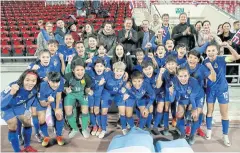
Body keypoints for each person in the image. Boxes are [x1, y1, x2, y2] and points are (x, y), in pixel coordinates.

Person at [204, 42, 240, 147]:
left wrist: (228, 46)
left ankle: (225, 135)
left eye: (213, 50)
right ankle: (209, 130)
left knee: (224, 113)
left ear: (217, 51)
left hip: (222, 90)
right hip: (210, 90)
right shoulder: (204, 62)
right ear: (206, 52)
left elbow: (236, 56)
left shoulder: (222, 59)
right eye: (208, 51)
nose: (211, 53)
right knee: (209, 111)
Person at [1, 69, 41, 152]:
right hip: (6, 107)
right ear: (22, 79)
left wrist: (27, 109)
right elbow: (1, 103)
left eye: (33, 81)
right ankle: (17, 151)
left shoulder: (35, 88)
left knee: (27, 121)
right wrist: (11, 93)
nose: (30, 83)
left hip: (18, 106)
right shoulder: (13, 85)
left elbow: (31, 97)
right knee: (13, 123)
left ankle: (27, 146)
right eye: (27, 80)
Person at [180, 50, 216, 137]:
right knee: (188, 110)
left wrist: (211, 68)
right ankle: (188, 127)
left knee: (198, 112)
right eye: (190, 57)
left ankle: (197, 128)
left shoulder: (202, 68)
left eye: (195, 58)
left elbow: (213, 79)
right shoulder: (182, 66)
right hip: (186, 93)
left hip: (199, 94)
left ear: (198, 60)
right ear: (187, 58)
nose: (192, 60)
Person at [171, 68, 205, 145]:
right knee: (179, 113)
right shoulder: (174, 81)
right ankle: (182, 134)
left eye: (185, 76)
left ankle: (192, 135)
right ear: (177, 76)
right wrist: (171, 93)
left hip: (197, 97)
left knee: (195, 116)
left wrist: (194, 109)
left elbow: (192, 97)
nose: (183, 78)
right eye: (181, 76)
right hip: (185, 96)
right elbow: (172, 99)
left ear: (189, 75)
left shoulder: (194, 82)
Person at [64, 58, 92, 139]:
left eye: (82, 69)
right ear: (73, 70)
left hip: (82, 93)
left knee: (85, 110)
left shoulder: (87, 78)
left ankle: (84, 129)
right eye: (77, 70)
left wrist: (88, 92)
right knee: (68, 111)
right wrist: (66, 90)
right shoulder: (68, 76)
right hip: (71, 94)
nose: (80, 72)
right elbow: (64, 87)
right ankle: (74, 129)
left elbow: (87, 89)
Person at [36, 72, 65, 147]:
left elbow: (58, 95)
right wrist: (49, 101)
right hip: (44, 100)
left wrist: (57, 109)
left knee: (59, 115)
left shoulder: (60, 81)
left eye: (57, 82)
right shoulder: (41, 86)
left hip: (54, 98)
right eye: (53, 82)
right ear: (48, 80)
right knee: (41, 119)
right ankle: (46, 136)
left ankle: (59, 135)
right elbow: (42, 103)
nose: (55, 85)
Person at [100, 61, 128, 138]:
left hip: (118, 94)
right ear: (113, 70)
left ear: (124, 71)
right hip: (108, 94)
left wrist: (125, 91)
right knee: (104, 112)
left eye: (121, 71)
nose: (119, 73)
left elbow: (126, 86)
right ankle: (103, 130)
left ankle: (124, 128)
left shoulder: (125, 76)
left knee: (122, 112)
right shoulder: (107, 74)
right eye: (117, 71)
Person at [85, 58, 106, 136]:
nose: (99, 68)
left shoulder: (106, 74)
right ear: (94, 67)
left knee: (96, 110)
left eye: (101, 66)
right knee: (91, 110)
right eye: (97, 66)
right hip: (91, 94)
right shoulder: (91, 73)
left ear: (104, 67)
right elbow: (85, 69)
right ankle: (94, 126)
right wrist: (89, 62)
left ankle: (100, 126)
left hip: (98, 95)